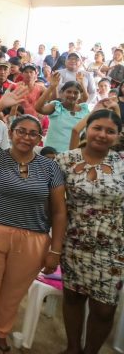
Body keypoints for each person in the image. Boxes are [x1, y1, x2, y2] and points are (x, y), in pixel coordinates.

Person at [0, 114, 66, 354]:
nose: (26, 137)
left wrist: (55, 250)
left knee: (14, 292)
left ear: (40, 138)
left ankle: (1, 333)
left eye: (32, 133)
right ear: (10, 132)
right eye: (21, 131)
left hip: (34, 238)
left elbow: (59, 212)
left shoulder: (50, 167)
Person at [56, 109, 124, 354]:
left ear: (117, 135)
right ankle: (72, 348)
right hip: (74, 242)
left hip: (114, 248)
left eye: (110, 131)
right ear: (87, 128)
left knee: (104, 308)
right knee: (73, 297)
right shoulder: (65, 160)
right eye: (98, 127)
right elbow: (53, 204)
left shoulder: (121, 162)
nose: (102, 134)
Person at [35, 74, 91, 151]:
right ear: (62, 93)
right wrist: (51, 87)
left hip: (74, 155)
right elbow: (38, 108)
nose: (72, 95)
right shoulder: (56, 107)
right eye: (68, 92)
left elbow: (85, 98)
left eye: (76, 93)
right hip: (52, 154)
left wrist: (82, 83)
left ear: (79, 95)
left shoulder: (84, 109)